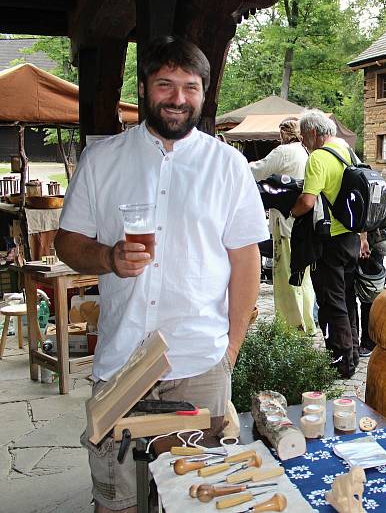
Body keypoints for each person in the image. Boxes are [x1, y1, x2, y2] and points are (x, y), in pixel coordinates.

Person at [55, 36, 268, 513]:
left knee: (199, 499)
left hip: (197, 365)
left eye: (190, 87)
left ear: (204, 93)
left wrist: (230, 350)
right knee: (117, 501)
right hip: (121, 365)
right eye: (165, 84)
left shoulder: (228, 166)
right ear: (145, 87)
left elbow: (245, 262)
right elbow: (66, 243)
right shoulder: (103, 159)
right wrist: (110, 258)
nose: (177, 98)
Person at [289, 110, 367, 379]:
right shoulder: (347, 151)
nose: (303, 143)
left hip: (330, 241)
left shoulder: (319, 158)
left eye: (303, 137)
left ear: (312, 133)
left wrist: (293, 212)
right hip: (351, 238)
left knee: (331, 301)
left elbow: (307, 201)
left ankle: (341, 360)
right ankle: (353, 352)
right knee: (347, 297)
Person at [250, 118, 316, 333]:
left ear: (283, 133)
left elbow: (256, 171)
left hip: (287, 221)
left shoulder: (284, 152)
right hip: (305, 222)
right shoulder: (306, 152)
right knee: (303, 274)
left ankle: (291, 326)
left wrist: (234, 162)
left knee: (286, 274)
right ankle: (307, 321)